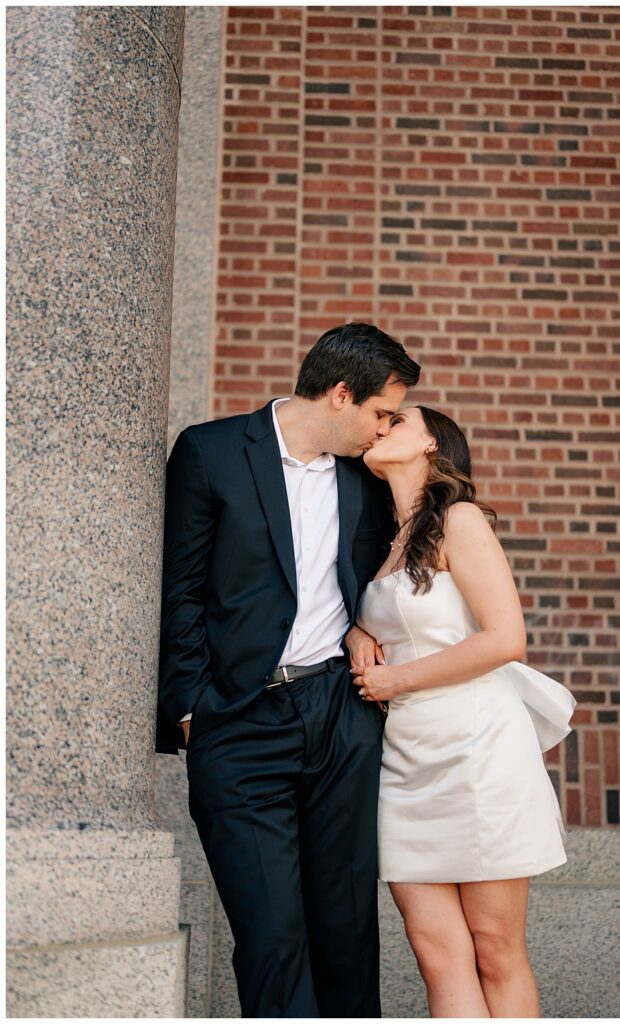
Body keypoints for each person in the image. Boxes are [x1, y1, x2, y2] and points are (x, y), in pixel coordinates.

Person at [156, 322, 421, 1018]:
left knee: (345, 932)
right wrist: (190, 709)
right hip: (239, 725)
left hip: (339, 718)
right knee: (271, 936)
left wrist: (366, 627)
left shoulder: (364, 475)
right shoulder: (210, 452)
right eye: (379, 413)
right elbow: (179, 590)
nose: (385, 428)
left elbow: (399, 564)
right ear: (339, 393)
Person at [352, 405, 576, 1018]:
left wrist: (395, 676)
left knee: (496, 948)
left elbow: (506, 639)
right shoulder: (388, 539)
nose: (380, 425)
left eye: (396, 418)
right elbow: (386, 616)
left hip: (478, 749)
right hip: (405, 760)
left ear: (431, 445)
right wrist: (355, 635)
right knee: (433, 950)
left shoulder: (460, 519)